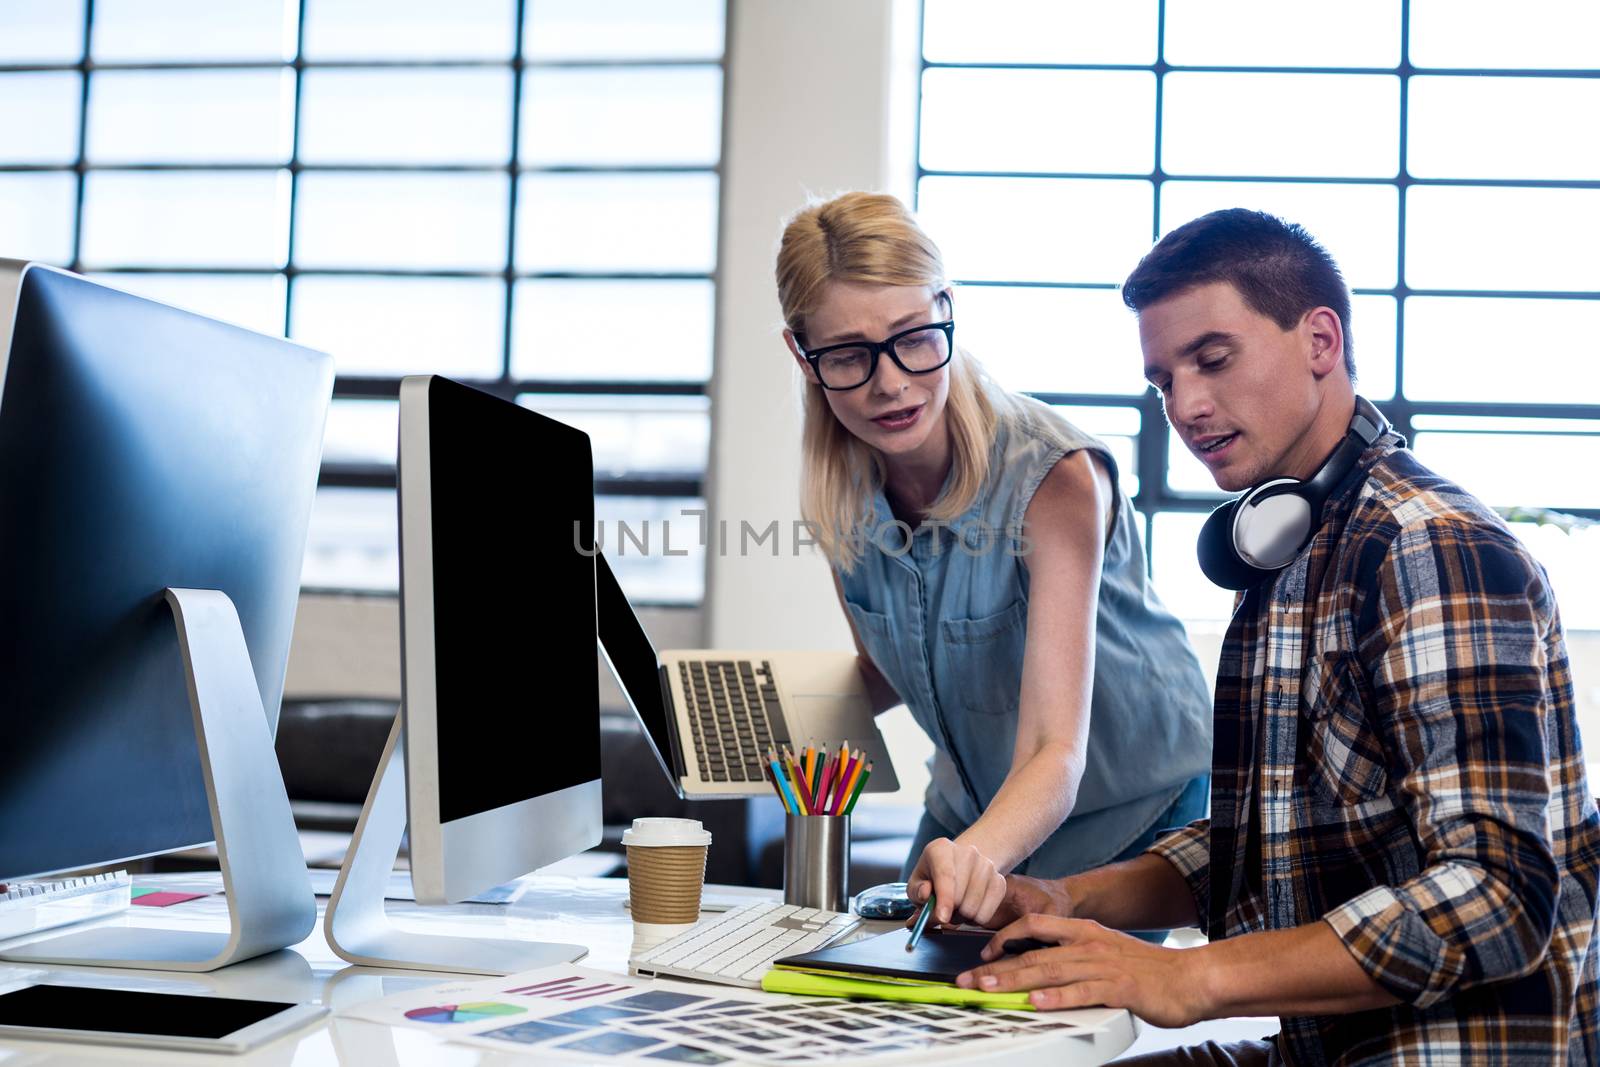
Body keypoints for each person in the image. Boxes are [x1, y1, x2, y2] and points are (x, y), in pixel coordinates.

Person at [953, 208, 1600, 1065]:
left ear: (1321, 340)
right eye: (1163, 380)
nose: (1185, 405)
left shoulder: (1429, 547)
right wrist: (1070, 898)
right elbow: (1272, 837)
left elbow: (1497, 898)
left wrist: (1190, 977)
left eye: (1213, 360)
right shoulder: (1292, 543)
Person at [774, 191, 1213, 929]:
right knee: (876, 1004)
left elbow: (1052, 750)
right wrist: (760, 717)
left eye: (914, 336)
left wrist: (970, 858)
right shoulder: (839, 491)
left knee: (1030, 1027)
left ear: (947, 307)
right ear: (802, 354)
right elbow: (889, 670)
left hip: (1124, 805)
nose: (891, 382)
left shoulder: (1056, 477)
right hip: (972, 802)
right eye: (848, 354)